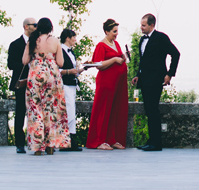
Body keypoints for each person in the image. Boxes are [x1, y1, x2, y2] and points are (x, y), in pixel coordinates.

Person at [131, 13, 180, 151]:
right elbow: (143, 61)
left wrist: (170, 74)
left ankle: (156, 142)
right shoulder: (142, 39)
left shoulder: (161, 38)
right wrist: (137, 75)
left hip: (156, 78)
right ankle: (151, 140)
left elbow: (176, 54)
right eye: (141, 25)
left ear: (152, 25)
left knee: (153, 109)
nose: (141, 28)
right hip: (145, 79)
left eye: (144, 25)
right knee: (148, 109)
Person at [22, 17, 69, 155]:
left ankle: (37, 147)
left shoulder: (32, 40)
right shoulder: (55, 41)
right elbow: (60, 63)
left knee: (35, 110)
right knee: (53, 109)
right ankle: (51, 145)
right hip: (52, 76)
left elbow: (25, 60)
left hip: (36, 75)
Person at [86, 19, 128, 150]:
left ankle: (111, 138)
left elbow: (118, 58)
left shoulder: (116, 44)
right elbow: (98, 64)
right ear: (106, 31)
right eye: (114, 32)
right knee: (103, 111)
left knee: (114, 110)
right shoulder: (101, 45)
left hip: (118, 83)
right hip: (106, 82)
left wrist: (122, 58)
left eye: (117, 31)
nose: (116, 34)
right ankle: (99, 140)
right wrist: (115, 59)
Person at [7, 17, 36, 154]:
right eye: (34, 25)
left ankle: (35, 141)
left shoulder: (38, 43)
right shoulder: (15, 44)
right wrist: (28, 66)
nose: (36, 27)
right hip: (21, 83)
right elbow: (10, 64)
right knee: (20, 113)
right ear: (26, 26)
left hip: (36, 83)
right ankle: (19, 143)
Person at [58, 28, 85, 151]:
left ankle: (71, 139)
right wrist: (69, 71)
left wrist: (83, 68)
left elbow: (74, 70)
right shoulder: (60, 51)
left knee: (71, 112)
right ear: (67, 38)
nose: (75, 39)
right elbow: (56, 70)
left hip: (72, 85)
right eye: (73, 37)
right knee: (68, 111)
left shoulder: (71, 52)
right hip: (64, 85)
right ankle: (66, 140)